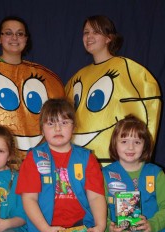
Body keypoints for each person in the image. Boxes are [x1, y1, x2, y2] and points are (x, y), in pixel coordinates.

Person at [16, 98, 110, 232]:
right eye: (51, 123)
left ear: (73, 127)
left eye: (64, 122)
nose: (58, 128)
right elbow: (29, 200)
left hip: (82, 226)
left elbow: (96, 197)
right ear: (42, 128)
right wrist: (47, 231)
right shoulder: (34, 158)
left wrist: (100, 227)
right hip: (48, 228)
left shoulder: (87, 158)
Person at [0, 15, 65, 174]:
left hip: (34, 166)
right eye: (8, 33)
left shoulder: (43, 76)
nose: (14, 37)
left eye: (20, 33)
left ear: (26, 39)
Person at [65, 15, 161, 165]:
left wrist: (138, 159)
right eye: (86, 32)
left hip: (116, 165)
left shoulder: (129, 70)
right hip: (80, 164)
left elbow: (148, 110)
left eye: (95, 32)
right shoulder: (77, 78)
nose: (89, 36)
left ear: (109, 38)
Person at [102, 114, 165, 232]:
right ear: (114, 144)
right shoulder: (105, 175)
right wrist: (109, 227)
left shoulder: (156, 173)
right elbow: (99, 210)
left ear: (145, 145)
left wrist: (153, 224)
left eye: (137, 142)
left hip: (160, 230)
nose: (130, 147)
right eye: (124, 141)